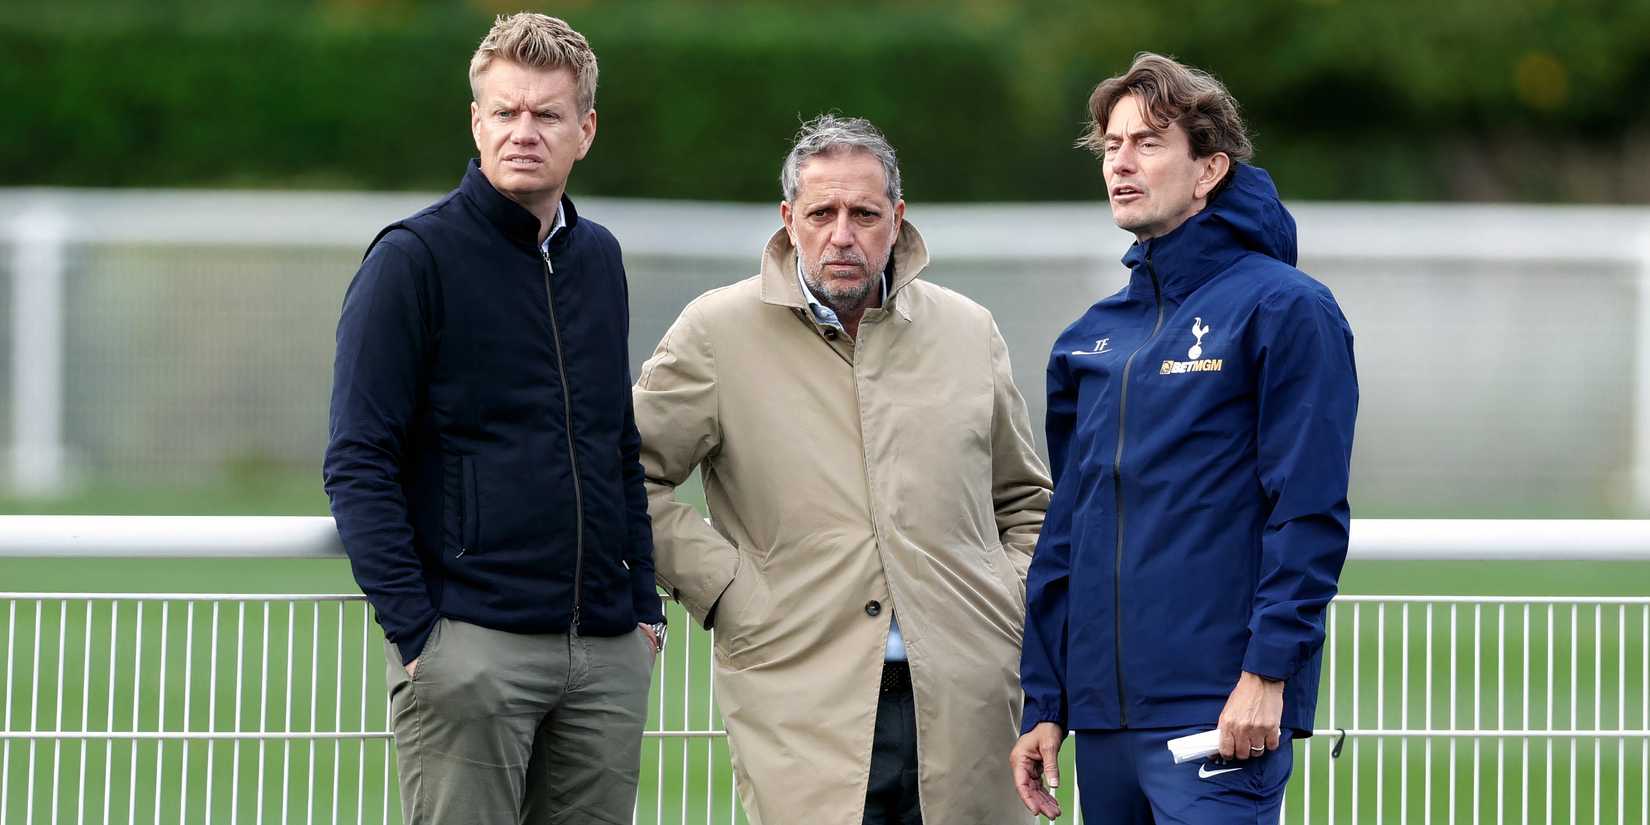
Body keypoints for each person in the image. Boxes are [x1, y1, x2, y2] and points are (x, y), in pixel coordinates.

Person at [633, 114, 1052, 825]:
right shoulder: (715, 331)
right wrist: (730, 587)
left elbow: (1026, 502)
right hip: (802, 702)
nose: (843, 234)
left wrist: (1002, 599)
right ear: (789, 219)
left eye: (864, 213)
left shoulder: (968, 330)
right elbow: (628, 476)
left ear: (898, 217)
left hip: (964, 700)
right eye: (822, 212)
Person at [323, 13, 665, 824]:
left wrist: (642, 608)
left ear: (584, 130)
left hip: (606, 652)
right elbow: (356, 459)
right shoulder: (412, 260)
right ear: (476, 121)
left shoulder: (600, 258)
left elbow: (616, 444)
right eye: (504, 112)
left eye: (546, 115)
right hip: (469, 650)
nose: (523, 132)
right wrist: (419, 638)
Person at [1010, 52, 1359, 823]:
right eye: (1111, 146)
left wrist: (1268, 674)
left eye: (1149, 143)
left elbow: (1307, 510)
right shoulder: (1088, 339)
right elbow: (1067, 530)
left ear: (1209, 170)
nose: (1122, 164)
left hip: (1220, 716)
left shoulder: (1286, 309)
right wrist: (1048, 698)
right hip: (1101, 722)